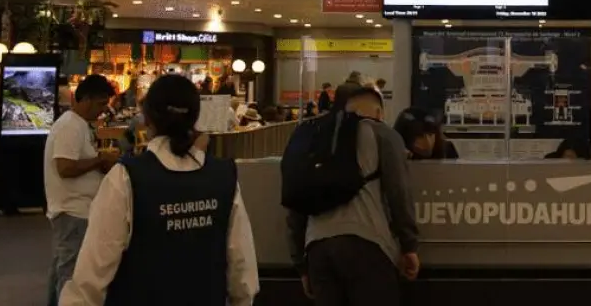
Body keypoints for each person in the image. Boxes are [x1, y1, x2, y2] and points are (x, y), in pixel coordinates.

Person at [60, 74, 259, 305]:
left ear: (147, 118)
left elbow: (92, 274)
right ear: (195, 117)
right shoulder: (224, 176)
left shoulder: (127, 178)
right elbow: (242, 268)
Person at [288, 83, 420, 306]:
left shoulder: (314, 136)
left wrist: (301, 264)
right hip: (367, 245)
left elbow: (295, 205)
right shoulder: (382, 133)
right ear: (379, 113)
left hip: (318, 249)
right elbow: (398, 192)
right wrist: (409, 245)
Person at [44, 74, 117, 306]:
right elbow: (65, 167)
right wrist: (99, 160)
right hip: (72, 210)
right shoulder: (69, 126)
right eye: (100, 103)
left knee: (62, 267)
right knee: (71, 272)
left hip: (78, 209)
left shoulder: (79, 125)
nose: (103, 109)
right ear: (84, 99)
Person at [393, 108, 459, 160]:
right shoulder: (395, 154)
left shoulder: (448, 150)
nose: (428, 142)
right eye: (420, 136)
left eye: (430, 135)